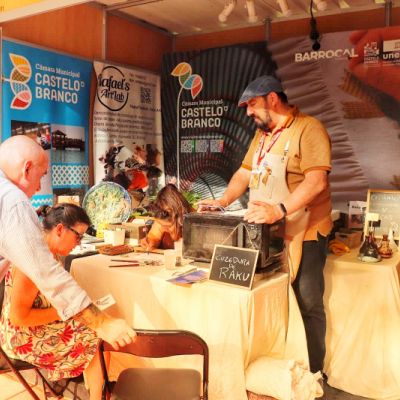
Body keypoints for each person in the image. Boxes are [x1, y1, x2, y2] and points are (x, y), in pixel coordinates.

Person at [200, 75, 332, 373]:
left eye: (252, 104)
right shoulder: (262, 135)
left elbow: (316, 181)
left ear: (273, 98)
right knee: (272, 298)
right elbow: (244, 173)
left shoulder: (309, 129)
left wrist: (279, 210)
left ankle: (314, 373)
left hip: (305, 230)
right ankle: (282, 367)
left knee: (307, 301)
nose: (248, 112)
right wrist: (222, 201)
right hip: (268, 229)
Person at [0, 135, 136, 350]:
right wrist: (101, 323)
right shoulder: (13, 200)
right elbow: (44, 271)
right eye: (41, 176)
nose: (39, 187)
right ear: (26, 169)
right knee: (95, 341)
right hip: (21, 341)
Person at [0, 204, 103, 400]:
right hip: (20, 339)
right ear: (60, 229)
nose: (79, 244)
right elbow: (18, 318)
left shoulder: (46, 252)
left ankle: (96, 392)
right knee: (94, 334)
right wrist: (66, 311)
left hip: (32, 329)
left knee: (92, 325)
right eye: (78, 236)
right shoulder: (33, 262)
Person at [140, 184, 194, 250]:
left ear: (178, 219)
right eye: (163, 226)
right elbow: (154, 236)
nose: (165, 229)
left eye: (167, 227)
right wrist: (150, 242)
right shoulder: (162, 217)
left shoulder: (196, 222)